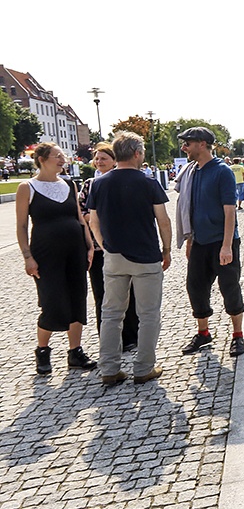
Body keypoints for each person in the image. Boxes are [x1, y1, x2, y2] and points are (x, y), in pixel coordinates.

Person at [87, 132, 172, 386]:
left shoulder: (99, 183)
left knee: (111, 313)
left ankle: (110, 369)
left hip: (114, 257)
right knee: (148, 314)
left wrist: (105, 246)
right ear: (137, 154)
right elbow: (163, 221)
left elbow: (93, 221)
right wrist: (166, 250)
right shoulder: (148, 183)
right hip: (145, 256)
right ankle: (143, 367)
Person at [15, 143, 97, 375]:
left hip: (75, 251)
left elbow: (80, 219)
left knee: (77, 299)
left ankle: (75, 352)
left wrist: (89, 246)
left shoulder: (70, 184)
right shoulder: (27, 187)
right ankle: (42, 350)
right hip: (45, 254)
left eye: (63, 156)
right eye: (57, 156)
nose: (63, 160)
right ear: (41, 159)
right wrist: (27, 257)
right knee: (52, 302)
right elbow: (21, 226)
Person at [176, 126, 244, 357]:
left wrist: (226, 246)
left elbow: (229, 211)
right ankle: (203, 334)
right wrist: (190, 240)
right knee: (195, 287)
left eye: (189, 142)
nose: (185, 147)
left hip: (221, 241)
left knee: (230, 288)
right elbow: (191, 208)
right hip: (200, 242)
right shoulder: (192, 171)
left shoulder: (222, 171)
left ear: (203, 144)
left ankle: (237, 335)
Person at [79, 142, 140, 351]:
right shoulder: (90, 184)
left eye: (103, 158)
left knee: (128, 294)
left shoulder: (119, 182)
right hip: (98, 249)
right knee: (102, 296)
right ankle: (108, 340)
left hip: (122, 245)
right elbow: (81, 211)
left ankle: (131, 336)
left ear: (114, 160)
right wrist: (93, 217)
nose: (99, 162)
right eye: (96, 158)